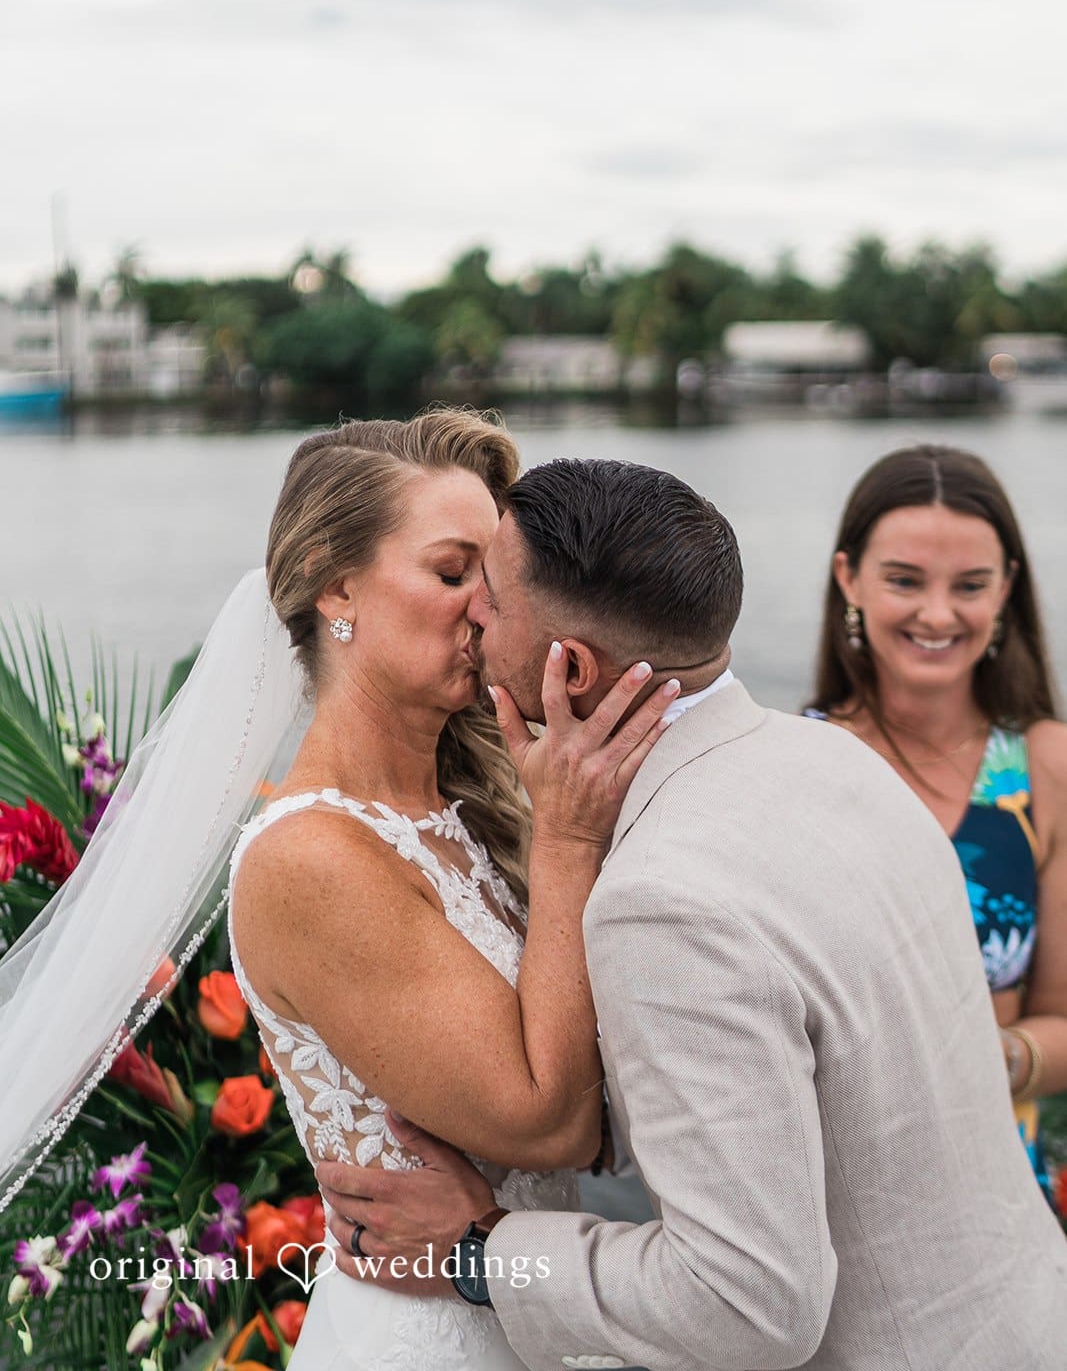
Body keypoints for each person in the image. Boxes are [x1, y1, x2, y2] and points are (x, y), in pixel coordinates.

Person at [318, 456, 1067, 1371]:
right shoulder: (839, 761)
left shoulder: (664, 902)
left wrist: (479, 1253)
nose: (472, 609)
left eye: (494, 599)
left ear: (571, 667)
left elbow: (746, 1306)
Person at [0, 411, 675, 1371]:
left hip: (530, 1306)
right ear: (336, 587)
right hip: (432, 1340)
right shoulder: (310, 858)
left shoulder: (479, 810)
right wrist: (568, 832)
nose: (489, 611)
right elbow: (549, 1122)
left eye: (496, 581)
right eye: (452, 575)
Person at [802, 442, 1067, 1198]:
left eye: (971, 585)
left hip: (1004, 1188)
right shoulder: (794, 761)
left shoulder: (1046, 768)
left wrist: (991, 1057)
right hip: (843, 1194)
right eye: (904, 581)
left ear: (1006, 590)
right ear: (848, 576)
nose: (938, 613)